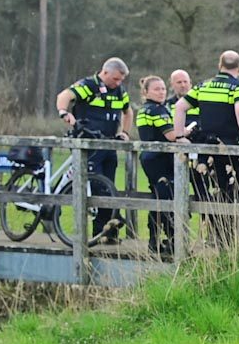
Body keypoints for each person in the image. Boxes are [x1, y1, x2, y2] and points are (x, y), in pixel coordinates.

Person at [54, 56, 132, 241]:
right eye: (115, 79)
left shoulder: (120, 91)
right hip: (88, 145)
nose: (118, 83)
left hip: (109, 145)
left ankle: (105, 233)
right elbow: (63, 96)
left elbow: (128, 112)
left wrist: (125, 133)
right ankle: (109, 224)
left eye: (121, 80)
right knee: (98, 186)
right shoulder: (89, 85)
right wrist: (64, 112)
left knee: (109, 186)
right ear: (104, 73)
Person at [181, 53, 239, 237]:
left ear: (219, 65)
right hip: (231, 150)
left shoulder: (203, 85)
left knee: (216, 191)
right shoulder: (238, 86)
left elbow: (179, 107)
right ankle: (234, 237)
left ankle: (218, 235)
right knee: (236, 193)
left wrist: (178, 136)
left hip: (207, 150)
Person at [134, 75, 177, 259]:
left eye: (163, 89)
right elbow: (171, 135)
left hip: (148, 157)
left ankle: (154, 239)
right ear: (146, 92)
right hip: (160, 158)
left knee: (157, 197)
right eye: (157, 89)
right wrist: (186, 132)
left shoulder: (144, 110)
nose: (161, 92)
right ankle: (172, 239)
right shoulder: (158, 110)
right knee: (167, 197)